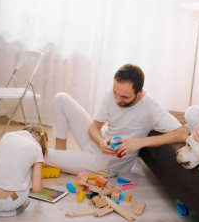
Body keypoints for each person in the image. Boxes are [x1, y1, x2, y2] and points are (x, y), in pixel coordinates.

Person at [46, 64, 188, 177]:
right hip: (99, 144)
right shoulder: (113, 94)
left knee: (42, 153)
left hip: (106, 165)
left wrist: (139, 142)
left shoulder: (151, 107)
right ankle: (61, 154)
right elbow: (94, 127)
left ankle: (59, 159)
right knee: (60, 98)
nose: (117, 100)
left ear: (140, 92)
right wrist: (100, 142)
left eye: (125, 97)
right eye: (115, 93)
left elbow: (182, 134)